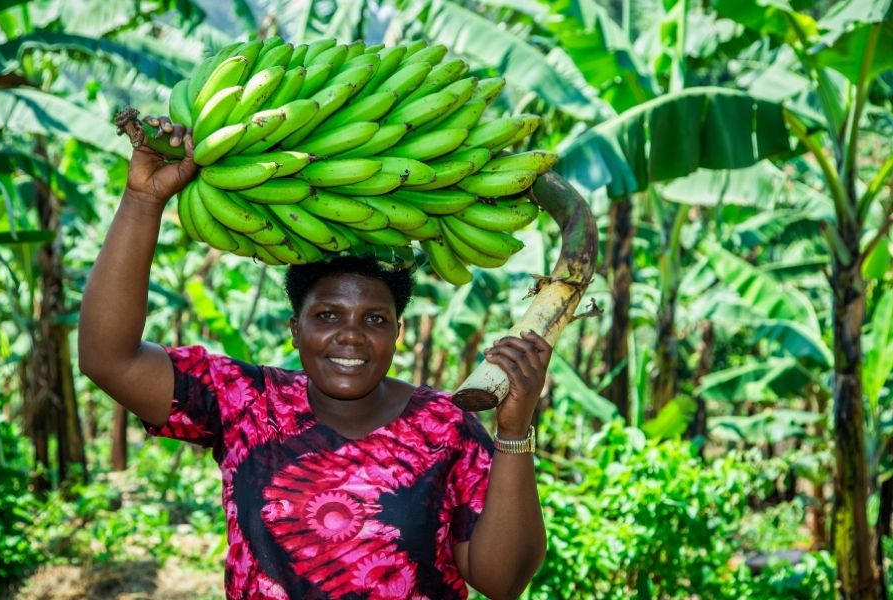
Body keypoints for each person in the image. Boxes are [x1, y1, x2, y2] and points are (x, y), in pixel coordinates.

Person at [79, 117, 548, 600]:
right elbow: (108, 359)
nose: (351, 337)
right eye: (327, 315)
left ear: (397, 333)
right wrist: (143, 199)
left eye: (375, 320)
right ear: (295, 329)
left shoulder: (445, 428)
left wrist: (514, 432)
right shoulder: (247, 402)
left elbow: (502, 581)